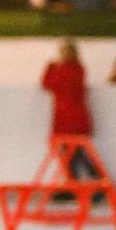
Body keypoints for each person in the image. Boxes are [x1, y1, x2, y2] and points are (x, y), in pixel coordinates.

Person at [41, 39, 100, 181]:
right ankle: (79, 184)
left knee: (71, 154)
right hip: (76, 117)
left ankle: (88, 182)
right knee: (76, 153)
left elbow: (47, 84)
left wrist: (50, 68)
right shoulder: (79, 69)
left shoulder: (63, 70)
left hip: (66, 118)